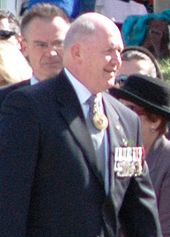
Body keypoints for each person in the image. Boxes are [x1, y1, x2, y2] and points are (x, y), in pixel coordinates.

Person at [0, 12, 162, 237]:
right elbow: (10, 202)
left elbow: (139, 209)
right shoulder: (30, 107)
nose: (117, 61)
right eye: (109, 52)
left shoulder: (126, 120)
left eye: (119, 52)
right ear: (77, 53)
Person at [110, 74, 170, 236]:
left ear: (155, 120)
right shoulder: (125, 154)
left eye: (129, 110)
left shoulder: (166, 161)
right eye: (117, 109)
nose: (119, 118)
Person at [0, 3, 70, 106]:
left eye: (58, 43)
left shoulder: (87, 95)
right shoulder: (6, 100)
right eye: (41, 45)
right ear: (24, 47)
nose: (51, 53)